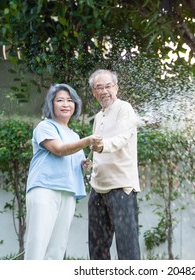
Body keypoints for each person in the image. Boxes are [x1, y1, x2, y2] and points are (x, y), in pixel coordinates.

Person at [24, 83, 101, 260]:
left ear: (75, 105)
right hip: (44, 189)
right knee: (38, 243)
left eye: (70, 100)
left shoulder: (74, 136)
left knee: (57, 247)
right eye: (60, 100)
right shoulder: (45, 127)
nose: (66, 104)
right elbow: (59, 149)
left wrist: (84, 165)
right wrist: (88, 140)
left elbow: (73, 162)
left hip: (68, 192)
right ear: (52, 104)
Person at [87, 69, 141, 260]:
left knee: (127, 248)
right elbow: (97, 147)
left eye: (108, 86)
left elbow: (122, 138)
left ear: (116, 88)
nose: (104, 91)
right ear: (94, 92)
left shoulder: (124, 108)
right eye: (99, 87)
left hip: (121, 189)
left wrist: (103, 147)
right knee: (97, 249)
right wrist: (90, 163)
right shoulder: (99, 116)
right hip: (97, 190)